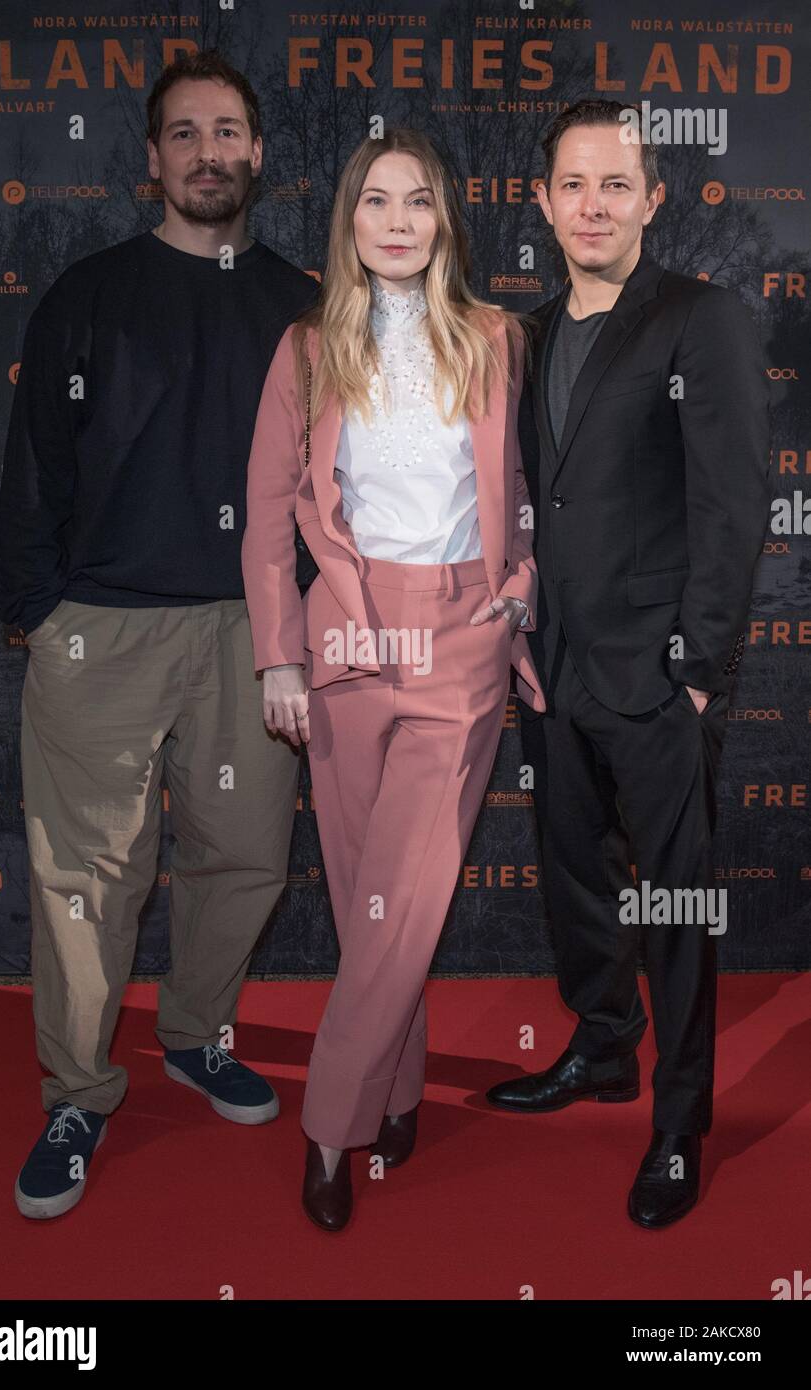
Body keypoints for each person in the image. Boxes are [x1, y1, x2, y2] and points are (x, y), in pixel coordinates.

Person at [0, 50, 319, 1220]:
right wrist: (39, 614)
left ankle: (194, 1034)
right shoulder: (85, 296)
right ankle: (78, 1090)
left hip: (256, 632)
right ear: (150, 160)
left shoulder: (304, 303)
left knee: (243, 859)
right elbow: (30, 471)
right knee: (86, 880)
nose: (207, 153)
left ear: (257, 155)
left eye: (226, 131)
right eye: (183, 134)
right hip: (104, 634)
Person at [242, 128, 545, 1231]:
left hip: (459, 641)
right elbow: (271, 519)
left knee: (402, 893)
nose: (399, 221)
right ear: (348, 220)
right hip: (344, 645)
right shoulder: (305, 350)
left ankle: (330, 1126)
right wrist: (279, 653)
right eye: (377, 201)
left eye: (419, 201)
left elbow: (542, 488)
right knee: (374, 894)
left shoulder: (497, 339)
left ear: (445, 220)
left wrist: (519, 583)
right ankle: (401, 1085)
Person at [487, 100, 771, 1228]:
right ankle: (603, 1052)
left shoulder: (697, 319)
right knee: (574, 886)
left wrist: (696, 670)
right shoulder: (528, 333)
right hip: (552, 671)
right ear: (543, 201)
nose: (592, 204)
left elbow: (730, 499)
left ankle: (677, 1120)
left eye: (616, 185)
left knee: (676, 907)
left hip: (656, 678)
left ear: (653, 200)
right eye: (572, 184)